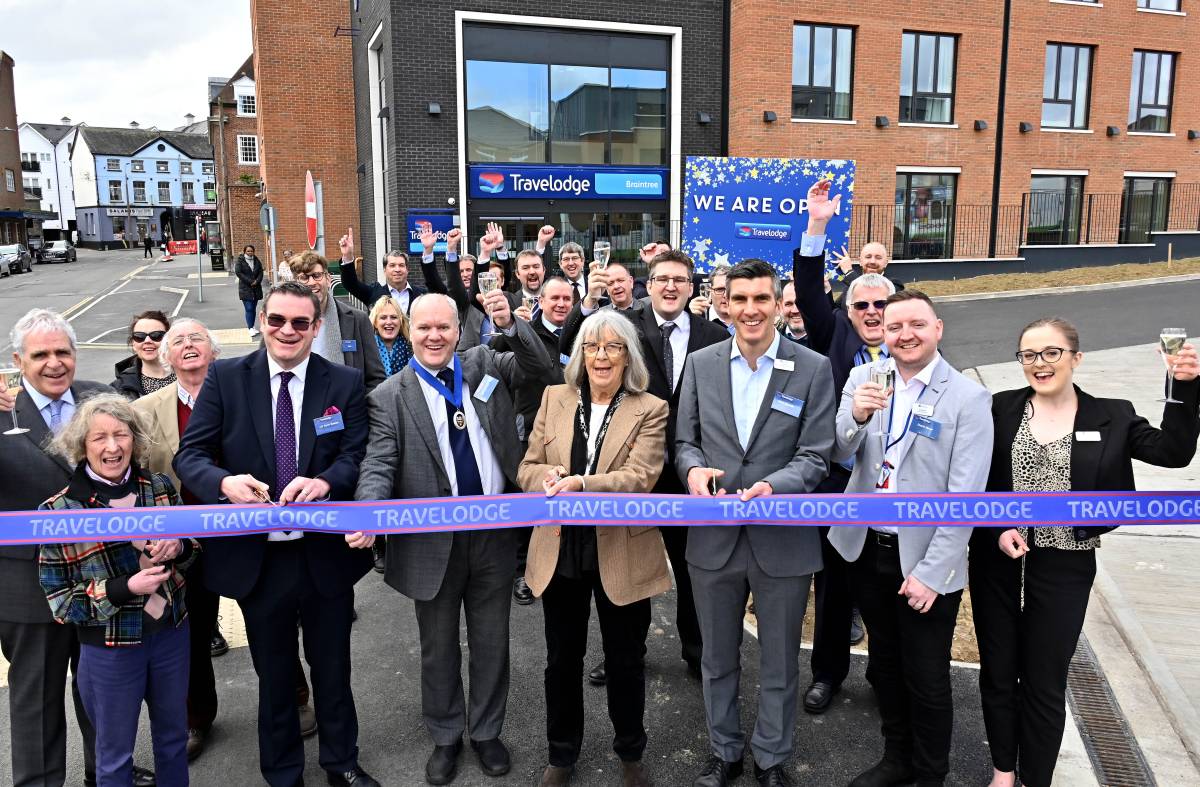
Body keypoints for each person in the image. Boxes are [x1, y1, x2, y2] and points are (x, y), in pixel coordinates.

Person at [972, 318, 1200, 787]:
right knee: (998, 672)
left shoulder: (1113, 415)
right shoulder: (998, 408)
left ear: (1076, 358)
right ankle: (1003, 772)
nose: (1040, 364)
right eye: (1029, 355)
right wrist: (996, 526)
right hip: (999, 560)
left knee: (1044, 680)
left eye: (1052, 352)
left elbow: (1173, 453)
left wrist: (1183, 389)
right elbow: (975, 479)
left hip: (1066, 564)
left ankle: (1036, 778)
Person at [174, 281, 379, 787]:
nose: (288, 331)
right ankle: (283, 772)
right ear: (261, 319)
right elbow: (190, 456)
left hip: (323, 554)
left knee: (333, 672)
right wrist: (224, 482)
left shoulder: (345, 382)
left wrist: (328, 480)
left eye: (300, 323)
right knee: (276, 676)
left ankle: (342, 763)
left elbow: (356, 454)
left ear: (316, 327)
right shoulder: (226, 378)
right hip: (258, 561)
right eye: (277, 320)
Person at [355, 291, 552, 786]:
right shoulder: (388, 396)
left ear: (458, 329)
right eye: (423, 328)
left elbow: (539, 365)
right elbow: (379, 462)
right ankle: (445, 736)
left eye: (444, 326)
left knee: (491, 642)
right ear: (407, 330)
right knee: (438, 646)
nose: (435, 336)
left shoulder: (483, 363)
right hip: (430, 542)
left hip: (493, 536)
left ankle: (486, 732)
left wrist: (508, 321)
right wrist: (368, 510)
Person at [676, 259, 836, 787]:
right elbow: (685, 441)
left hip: (782, 536)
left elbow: (816, 455)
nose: (749, 309)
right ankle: (725, 751)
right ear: (725, 301)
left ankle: (771, 757)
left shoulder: (812, 367)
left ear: (777, 302)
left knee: (780, 663)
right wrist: (694, 469)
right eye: (739, 298)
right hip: (714, 539)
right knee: (717, 658)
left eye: (761, 299)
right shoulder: (700, 364)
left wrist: (778, 487)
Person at [828, 290, 993, 787]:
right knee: (885, 665)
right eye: (894, 325)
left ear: (938, 328)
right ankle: (896, 758)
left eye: (916, 324)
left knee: (926, 676)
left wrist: (931, 574)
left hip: (925, 559)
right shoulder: (864, 378)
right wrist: (855, 417)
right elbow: (838, 449)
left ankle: (929, 773)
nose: (904, 334)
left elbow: (965, 497)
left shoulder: (966, 397)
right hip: (868, 546)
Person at [561, 249, 728, 686]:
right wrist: (588, 301)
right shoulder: (626, 327)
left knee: (693, 570)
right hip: (632, 473)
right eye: (662, 279)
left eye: (680, 279)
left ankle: (697, 651)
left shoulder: (715, 336)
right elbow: (570, 347)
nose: (671, 286)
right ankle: (625, 651)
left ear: (693, 288)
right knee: (628, 569)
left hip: (693, 474)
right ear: (647, 286)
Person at [518, 310, 669, 787]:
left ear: (628, 356)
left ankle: (630, 753)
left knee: (626, 660)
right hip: (561, 548)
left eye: (613, 347)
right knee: (562, 661)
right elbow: (527, 466)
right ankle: (561, 755)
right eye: (592, 346)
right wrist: (541, 478)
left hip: (622, 547)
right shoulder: (553, 398)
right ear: (580, 354)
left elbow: (640, 478)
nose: (601, 356)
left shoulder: (651, 407)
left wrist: (580, 482)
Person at [38, 393, 197, 787]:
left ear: (135, 439)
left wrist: (179, 547)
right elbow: (61, 603)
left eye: (121, 435)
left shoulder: (158, 486)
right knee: (114, 757)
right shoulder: (58, 512)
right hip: (110, 649)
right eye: (99, 438)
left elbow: (193, 547)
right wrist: (123, 587)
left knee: (174, 740)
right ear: (81, 446)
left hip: (171, 636)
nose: (113, 447)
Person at [0, 308, 114, 787]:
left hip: (101, 579)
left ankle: (104, 772)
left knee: (102, 692)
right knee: (38, 700)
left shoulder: (101, 398)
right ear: (17, 361)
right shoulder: (3, 411)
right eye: (40, 354)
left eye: (62, 351)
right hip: (27, 585)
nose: (53, 363)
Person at [793, 180, 893, 716]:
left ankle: (882, 671)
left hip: (896, 488)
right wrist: (816, 227)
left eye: (882, 303)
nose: (873, 311)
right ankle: (827, 674)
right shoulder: (832, 334)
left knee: (881, 587)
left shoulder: (913, 348)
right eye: (864, 303)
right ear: (848, 308)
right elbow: (809, 288)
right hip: (839, 481)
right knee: (833, 587)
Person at [133, 319, 225, 761]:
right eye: (179, 342)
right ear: (166, 358)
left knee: (273, 626)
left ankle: (296, 699)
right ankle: (197, 719)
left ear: (214, 349)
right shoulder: (147, 409)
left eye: (197, 339)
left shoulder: (241, 394)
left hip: (246, 532)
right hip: (185, 544)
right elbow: (141, 473)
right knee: (192, 635)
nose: (188, 346)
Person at [291, 249, 387, 392]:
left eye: (317, 276)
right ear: (296, 283)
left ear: (328, 279)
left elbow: (376, 378)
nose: (311, 282)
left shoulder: (358, 320)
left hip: (347, 409)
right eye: (304, 277)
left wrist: (360, 409)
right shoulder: (282, 323)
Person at [337, 227, 427, 314]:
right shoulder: (373, 293)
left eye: (401, 265)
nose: (397, 269)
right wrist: (348, 256)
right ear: (385, 270)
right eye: (392, 265)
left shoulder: (422, 295)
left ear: (407, 269)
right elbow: (350, 284)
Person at [111, 310, 177, 399]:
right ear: (133, 344)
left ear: (169, 340)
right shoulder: (118, 389)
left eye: (156, 335)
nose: (147, 341)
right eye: (139, 337)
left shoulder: (189, 376)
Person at [829, 241, 905, 301]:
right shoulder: (849, 287)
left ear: (886, 263)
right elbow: (835, 311)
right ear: (860, 261)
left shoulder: (895, 285)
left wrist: (849, 272)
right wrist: (826, 289)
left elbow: (871, 293)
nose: (872, 261)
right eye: (868, 257)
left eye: (878, 258)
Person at [370, 294, 413, 378]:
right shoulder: (367, 349)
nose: (389, 322)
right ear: (375, 323)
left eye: (393, 317)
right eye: (383, 317)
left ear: (400, 322)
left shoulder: (412, 347)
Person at [235, 245, 265, 337]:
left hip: (256, 288)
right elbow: (238, 273)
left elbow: (260, 272)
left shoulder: (256, 260)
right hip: (245, 288)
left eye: (251, 251)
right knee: (249, 308)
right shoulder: (240, 261)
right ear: (244, 252)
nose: (250, 253)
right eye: (248, 251)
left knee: (253, 308)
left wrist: (257, 281)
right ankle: (250, 328)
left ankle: (252, 327)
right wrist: (250, 281)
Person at [778, 281, 808, 346]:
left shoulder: (830, 343)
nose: (795, 310)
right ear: (780, 306)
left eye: (801, 304)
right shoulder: (770, 344)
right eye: (788, 304)